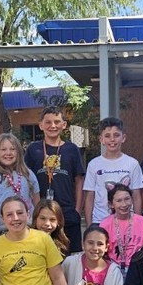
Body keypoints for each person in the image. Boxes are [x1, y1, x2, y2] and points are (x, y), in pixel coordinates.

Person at [25, 106, 86, 253]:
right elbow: (26, 180)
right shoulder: (33, 149)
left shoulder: (72, 149)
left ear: (64, 125)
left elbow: (79, 180)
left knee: (71, 256)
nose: (53, 126)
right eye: (48, 122)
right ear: (41, 125)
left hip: (68, 212)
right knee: (42, 254)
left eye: (57, 122)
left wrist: (77, 209)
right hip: (42, 214)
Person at [82, 117, 143, 225]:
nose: (112, 140)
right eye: (107, 136)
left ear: (123, 138)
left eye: (116, 135)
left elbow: (136, 194)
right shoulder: (94, 164)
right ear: (101, 139)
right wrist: (89, 225)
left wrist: (137, 222)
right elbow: (90, 196)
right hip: (100, 220)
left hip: (127, 220)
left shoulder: (132, 163)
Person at [100, 184, 143, 274]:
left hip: (139, 269)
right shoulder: (105, 225)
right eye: (119, 201)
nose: (124, 204)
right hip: (112, 270)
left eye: (127, 199)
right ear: (111, 204)